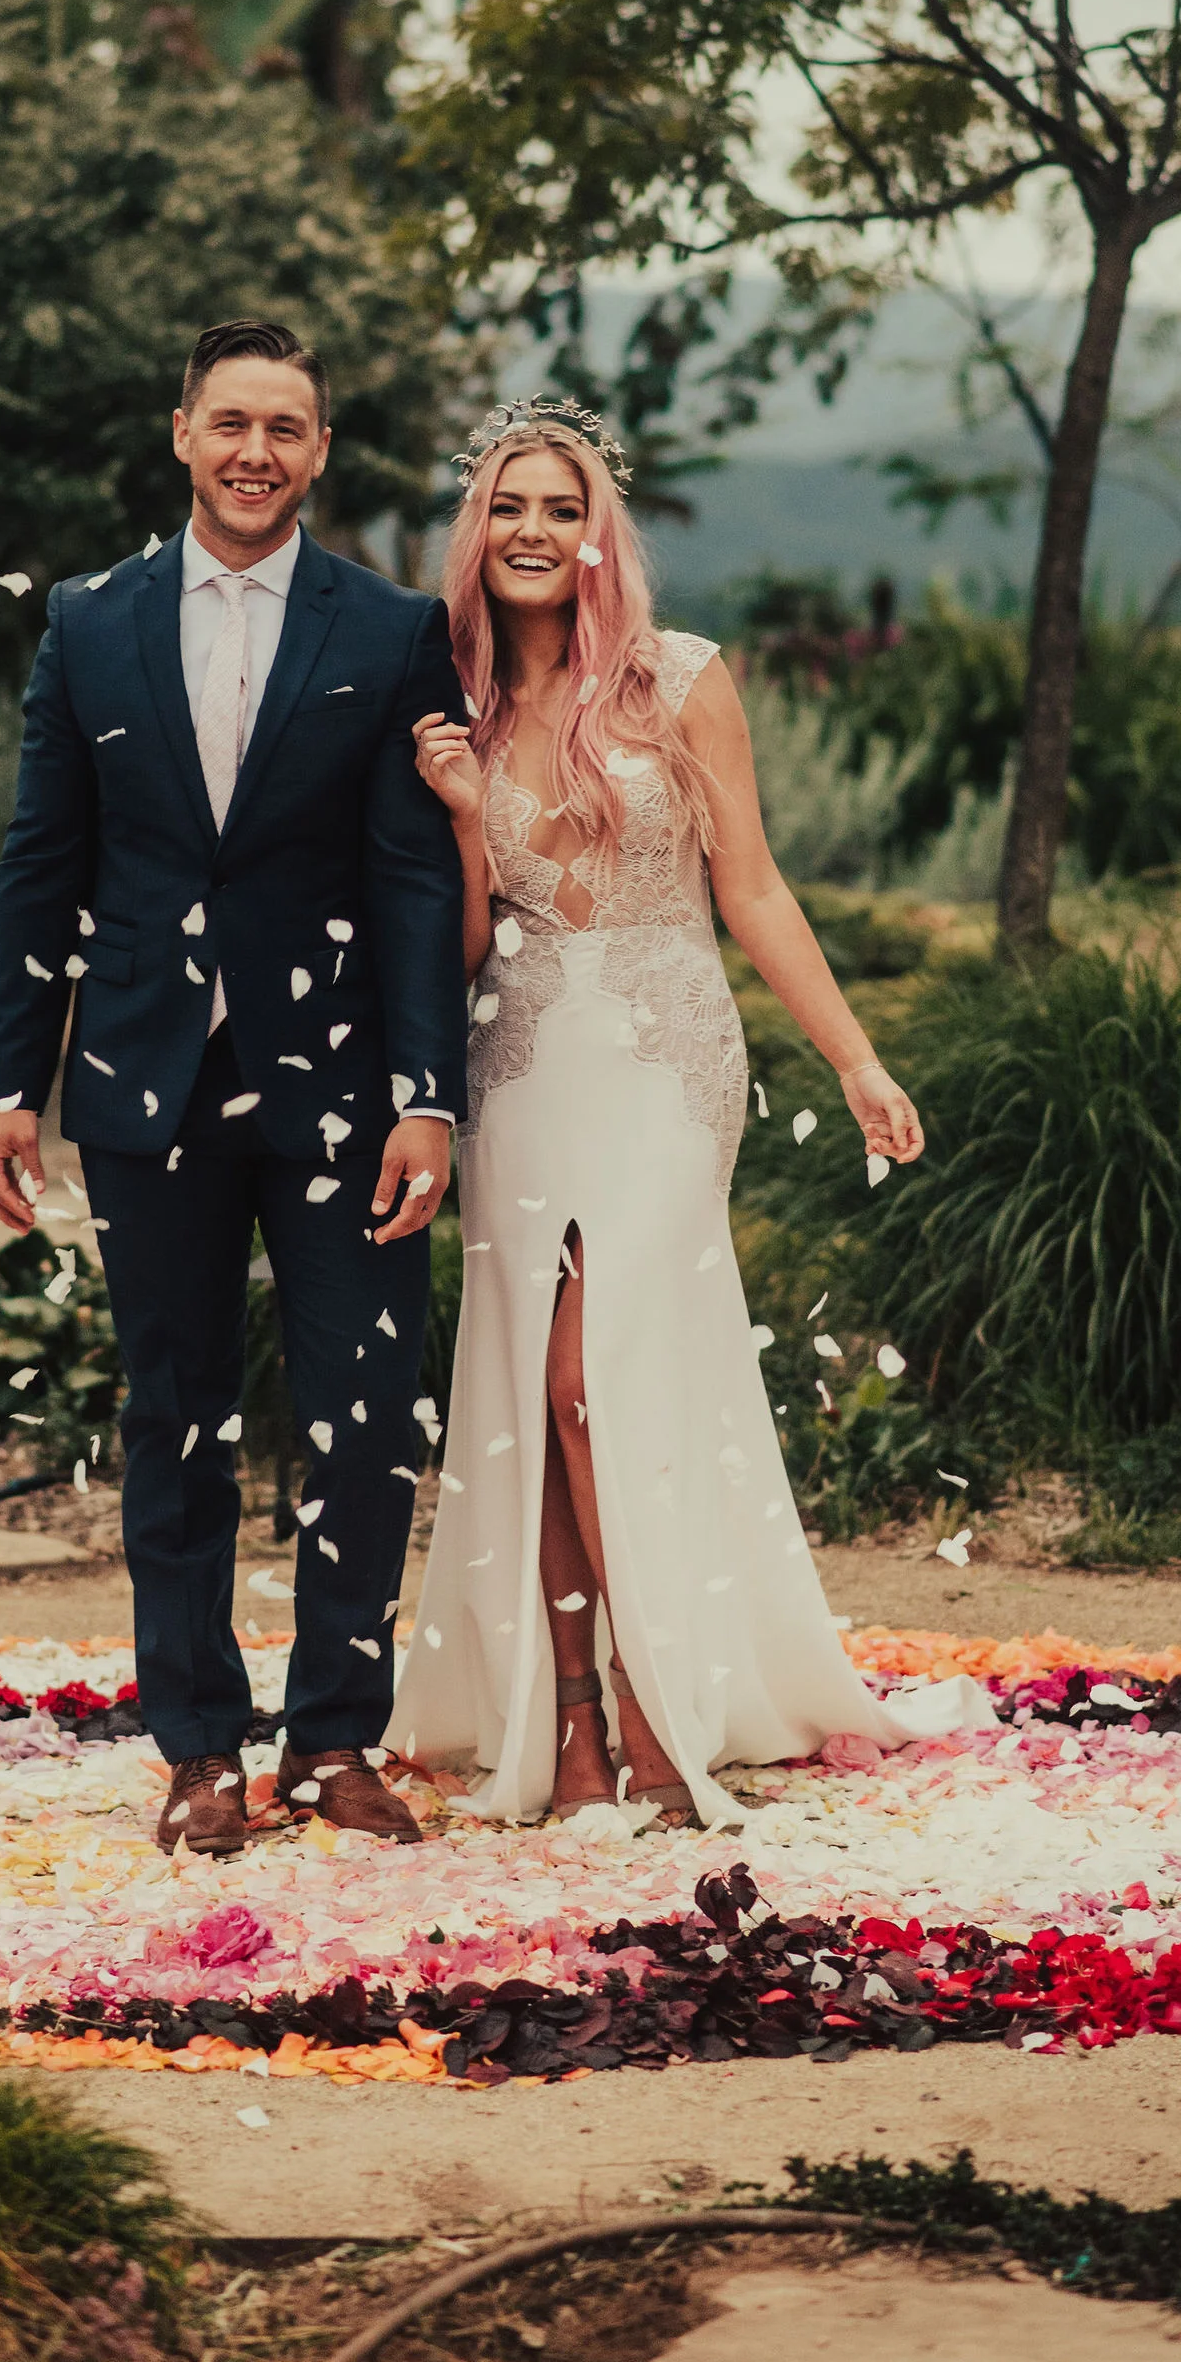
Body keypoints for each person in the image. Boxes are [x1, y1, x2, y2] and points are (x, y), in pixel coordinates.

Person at [390, 399, 987, 1827]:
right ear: (479, 534)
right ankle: (576, 1724)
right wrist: (468, 816)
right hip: (522, 1063)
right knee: (533, 1394)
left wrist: (854, 1058)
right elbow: (457, 949)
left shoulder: (680, 680)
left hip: (669, 1059)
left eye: (561, 508)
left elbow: (755, 888)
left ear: (599, 533)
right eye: (509, 509)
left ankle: (665, 1711)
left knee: (594, 1385)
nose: (535, 532)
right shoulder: (450, 707)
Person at [0, 318, 468, 1856]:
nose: (258, 451)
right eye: (231, 421)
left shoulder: (387, 632)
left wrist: (428, 1094)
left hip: (341, 1093)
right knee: (175, 1416)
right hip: (142, 1084)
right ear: (179, 431)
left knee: (369, 1413)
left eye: (288, 429)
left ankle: (332, 1742)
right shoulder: (88, 622)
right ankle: (198, 1748)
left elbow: (403, 879)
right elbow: (45, 864)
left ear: (322, 453)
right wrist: (12, 1085)